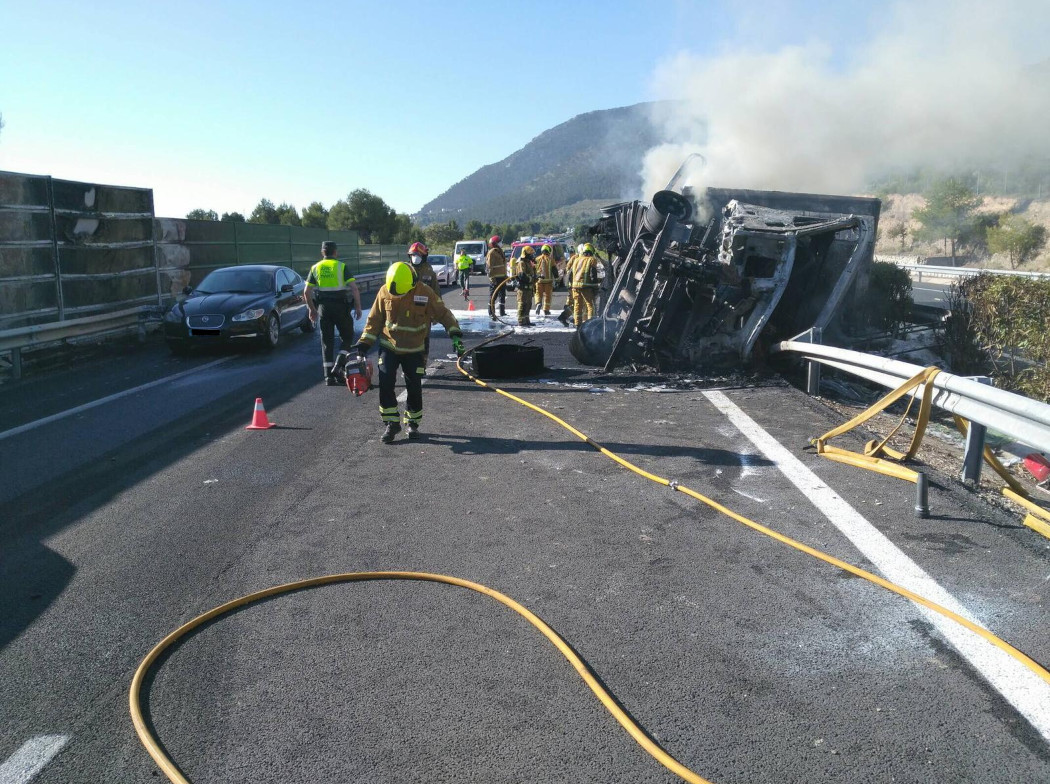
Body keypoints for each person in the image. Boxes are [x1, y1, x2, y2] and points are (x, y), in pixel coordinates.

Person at [356, 261, 464, 444]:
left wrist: (454, 333)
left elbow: (443, 313)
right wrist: (363, 344)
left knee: (414, 386)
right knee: (386, 381)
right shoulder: (384, 291)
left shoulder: (424, 292)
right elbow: (374, 320)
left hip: (415, 349)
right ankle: (391, 423)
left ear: (412, 284)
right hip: (389, 346)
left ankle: (412, 423)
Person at [305, 241, 362, 384]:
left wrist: (312, 310)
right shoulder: (341, 266)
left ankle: (328, 377)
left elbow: (306, 292)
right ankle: (338, 365)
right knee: (348, 336)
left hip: (323, 308)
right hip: (341, 307)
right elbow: (354, 288)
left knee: (326, 341)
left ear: (322, 252)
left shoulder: (315, 267)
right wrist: (358, 306)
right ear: (335, 252)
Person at [571, 243, 601, 326]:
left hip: (575, 286)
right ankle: (591, 324)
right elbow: (593, 275)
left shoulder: (577, 259)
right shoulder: (592, 259)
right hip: (586, 286)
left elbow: (572, 273)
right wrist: (595, 287)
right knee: (590, 305)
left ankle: (577, 324)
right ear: (591, 251)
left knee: (577, 305)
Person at [556, 244, 583, 326]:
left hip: (576, 284)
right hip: (575, 284)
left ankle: (572, 318)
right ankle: (565, 317)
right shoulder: (575, 258)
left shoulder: (576, 258)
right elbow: (568, 270)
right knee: (578, 303)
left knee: (578, 303)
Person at [485, 235, 508, 318]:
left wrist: (506, 276)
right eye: (500, 242)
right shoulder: (492, 253)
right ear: (496, 243)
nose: (501, 243)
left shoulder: (500, 251)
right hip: (495, 278)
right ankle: (491, 312)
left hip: (502, 277)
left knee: (502, 295)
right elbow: (489, 267)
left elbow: (503, 265)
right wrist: (492, 278)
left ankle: (502, 312)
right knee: (493, 296)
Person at [515, 245, 538, 326]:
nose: (532, 256)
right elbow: (522, 275)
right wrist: (532, 278)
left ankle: (527, 321)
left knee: (528, 305)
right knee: (522, 304)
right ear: (526, 254)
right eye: (530, 254)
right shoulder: (521, 263)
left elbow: (532, 274)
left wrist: (536, 276)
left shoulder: (529, 263)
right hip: (522, 288)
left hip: (528, 288)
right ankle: (521, 321)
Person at [534, 244, 556, 316]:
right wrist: (556, 278)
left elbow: (533, 269)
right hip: (548, 281)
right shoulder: (550, 260)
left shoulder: (537, 259)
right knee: (547, 296)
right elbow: (554, 270)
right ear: (549, 251)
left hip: (539, 280)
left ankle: (538, 303)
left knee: (538, 294)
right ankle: (546, 310)